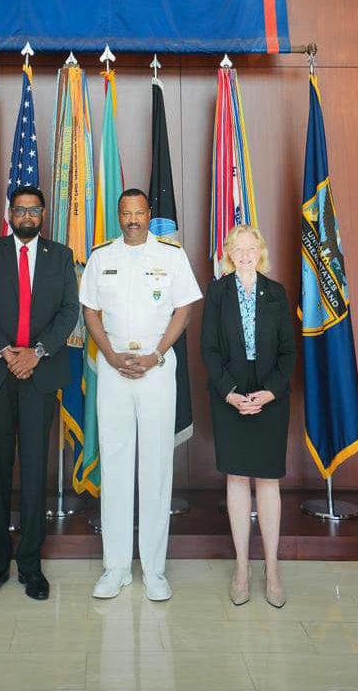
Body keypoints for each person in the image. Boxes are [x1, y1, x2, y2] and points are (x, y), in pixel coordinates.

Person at [80, 188, 202, 601]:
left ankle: (154, 569)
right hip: (113, 369)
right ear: (118, 215)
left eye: (139, 212)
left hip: (156, 368)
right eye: (125, 213)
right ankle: (115, 567)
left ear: (149, 214)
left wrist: (157, 353)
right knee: (115, 467)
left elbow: (184, 307)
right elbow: (90, 310)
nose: (132, 219)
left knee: (155, 465)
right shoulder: (101, 257)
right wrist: (111, 354)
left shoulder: (170, 256)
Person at [0, 185, 79, 601]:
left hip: (40, 374)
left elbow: (70, 310)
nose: (27, 216)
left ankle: (31, 565)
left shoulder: (61, 256)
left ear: (44, 214)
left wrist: (37, 353)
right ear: (8, 213)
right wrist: (7, 351)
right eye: (20, 209)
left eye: (34, 210)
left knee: (34, 471)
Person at [200, 224, 296, 608]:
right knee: (238, 477)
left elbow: (288, 352)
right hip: (230, 394)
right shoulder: (218, 292)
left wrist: (270, 392)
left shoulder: (275, 293)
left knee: (268, 480)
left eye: (250, 247)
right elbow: (208, 349)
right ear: (228, 252)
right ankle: (242, 567)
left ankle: (272, 569)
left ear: (260, 251)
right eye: (236, 248)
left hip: (270, 394)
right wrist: (231, 394)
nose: (244, 253)